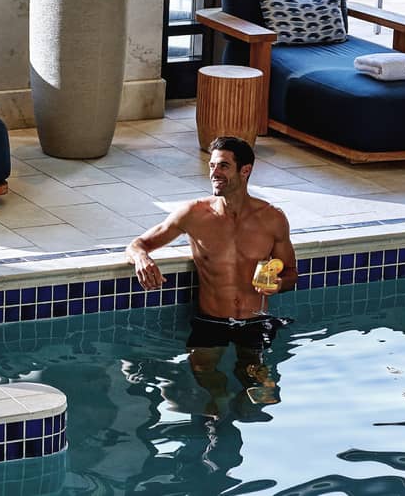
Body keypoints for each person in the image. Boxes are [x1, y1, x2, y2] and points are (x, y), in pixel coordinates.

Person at [125, 136, 297, 413]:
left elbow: (291, 274)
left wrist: (278, 285)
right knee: (204, 370)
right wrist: (141, 259)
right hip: (211, 320)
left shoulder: (272, 219)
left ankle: (246, 407)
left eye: (224, 166)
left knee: (261, 388)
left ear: (245, 170)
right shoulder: (194, 214)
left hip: (255, 321)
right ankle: (220, 405)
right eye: (212, 166)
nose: (214, 174)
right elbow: (137, 244)